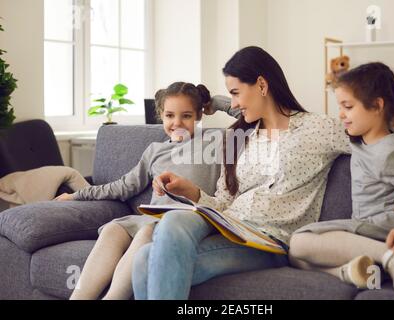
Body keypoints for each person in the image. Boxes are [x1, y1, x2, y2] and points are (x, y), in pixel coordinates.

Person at [131, 46, 362, 300]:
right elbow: (223, 203)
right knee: (156, 240)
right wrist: (191, 191)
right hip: (229, 224)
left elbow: (378, 142)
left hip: (269, 241)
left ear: (262, 85)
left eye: (236, 93)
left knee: (146, 261)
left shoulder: (318, 128)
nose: (235, 103)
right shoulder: (236, 137)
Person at [54, 82, 221, 300]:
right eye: (170, 115)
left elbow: (258, 119)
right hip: (152, 217)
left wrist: (214, 103)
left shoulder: (215, 142)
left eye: (186, 116)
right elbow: (123, 186)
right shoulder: (155, 150)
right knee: (114, 229)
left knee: (147, 232)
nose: (177, 123)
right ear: (161, 114)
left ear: (199, 114)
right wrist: (76, 195)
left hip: (183, 223)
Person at [288, 62, 394, 292]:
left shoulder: (389, 150)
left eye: (348, 106)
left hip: (391, 232)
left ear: (377, 106)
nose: (341, 114)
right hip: (368, 232)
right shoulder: (361, 139)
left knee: (299, 242)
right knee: (296, 258)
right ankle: (358, 271)